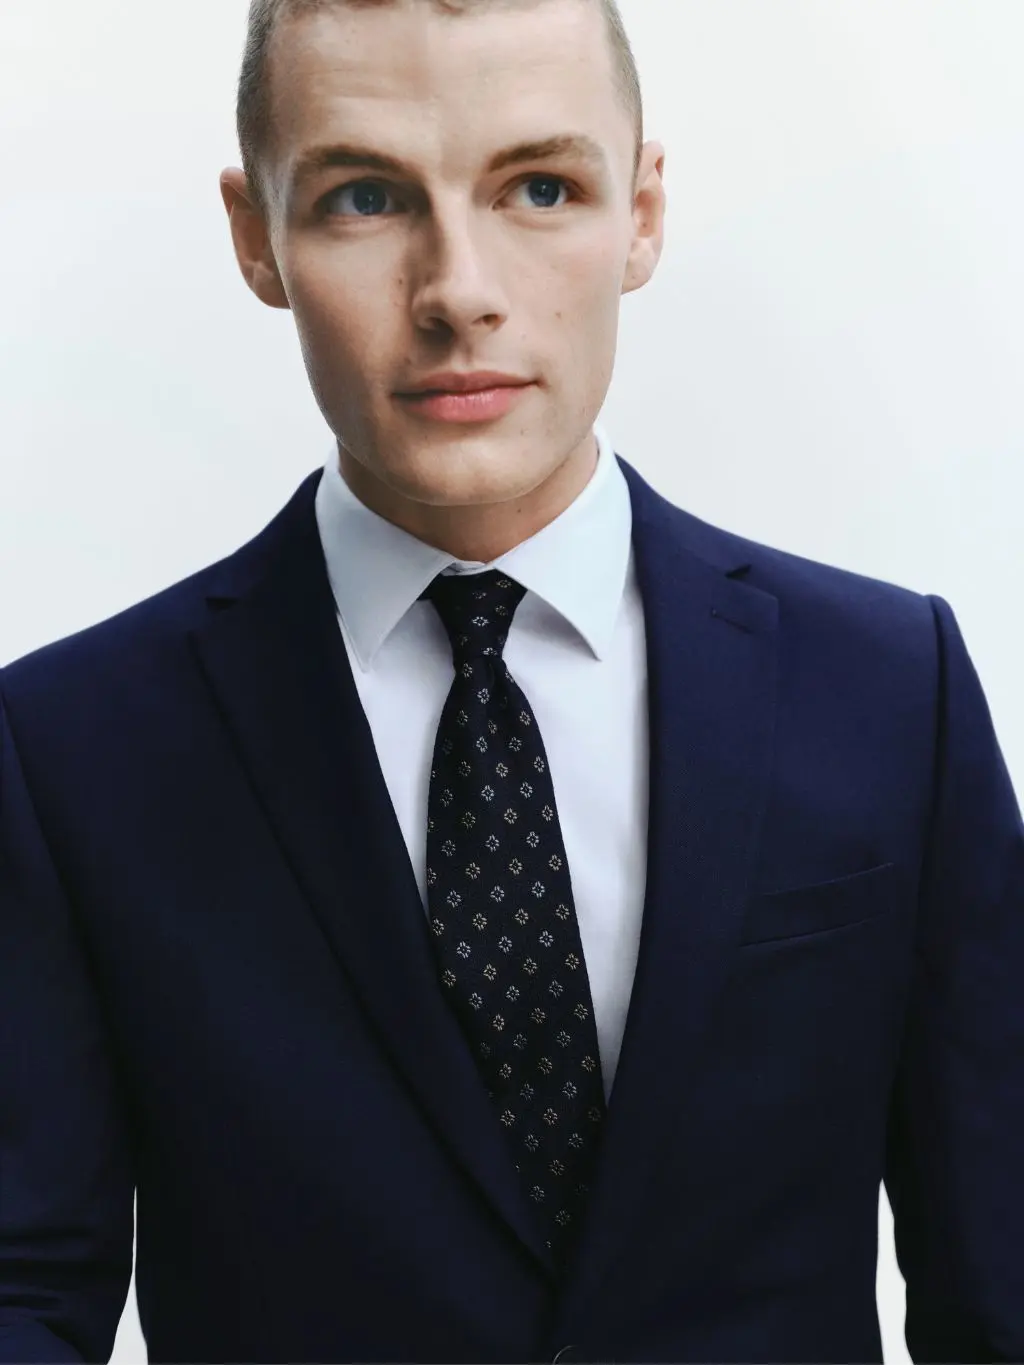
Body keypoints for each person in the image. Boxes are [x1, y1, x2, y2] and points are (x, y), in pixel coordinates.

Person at [1, 0, 1022, 1360]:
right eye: (366, 198)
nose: (458, 290)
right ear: (257, 237)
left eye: (539, 187)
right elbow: (24, 1292)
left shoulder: (894, 693)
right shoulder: (70, 752)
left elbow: (1002, 1272)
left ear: (640, 212)